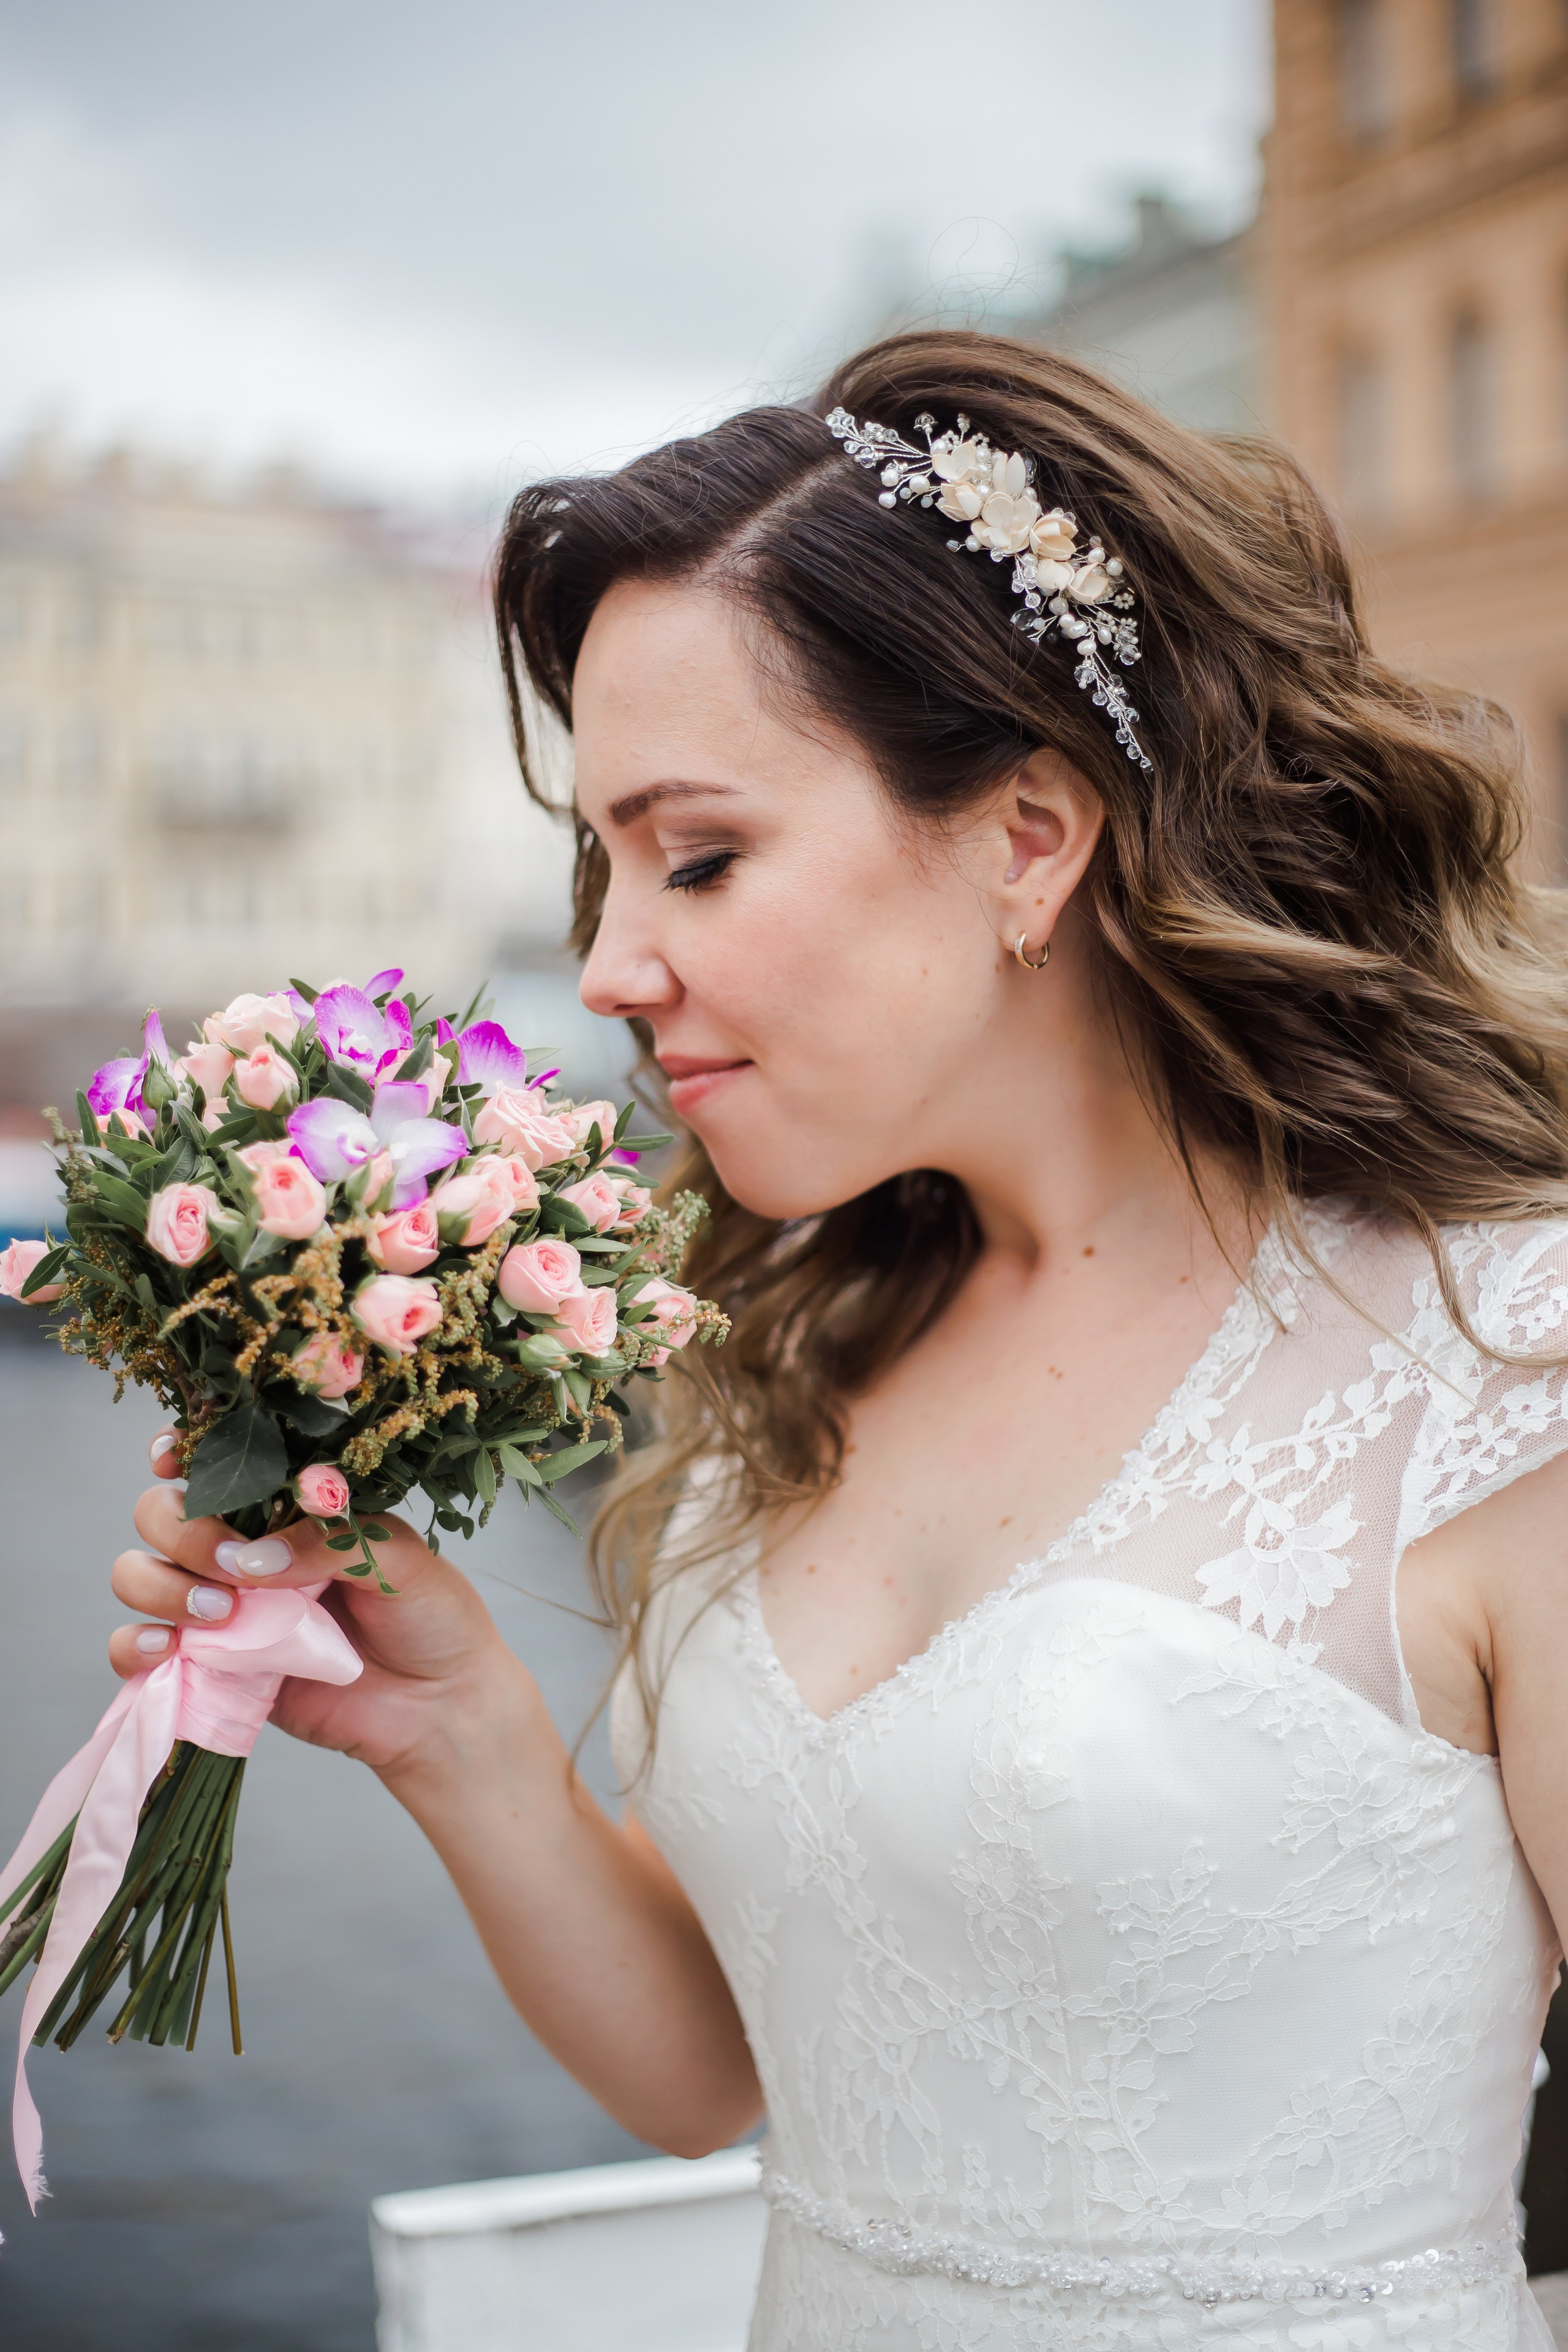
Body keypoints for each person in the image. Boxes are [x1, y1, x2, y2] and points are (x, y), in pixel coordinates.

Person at [110, 332, 1568, 2350]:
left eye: (699, 856)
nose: (615, 966)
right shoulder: (778, 1371)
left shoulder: (1510, 1373)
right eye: (606, 869)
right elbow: (724, 2073)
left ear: (1028, 838)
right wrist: (468, 1745)